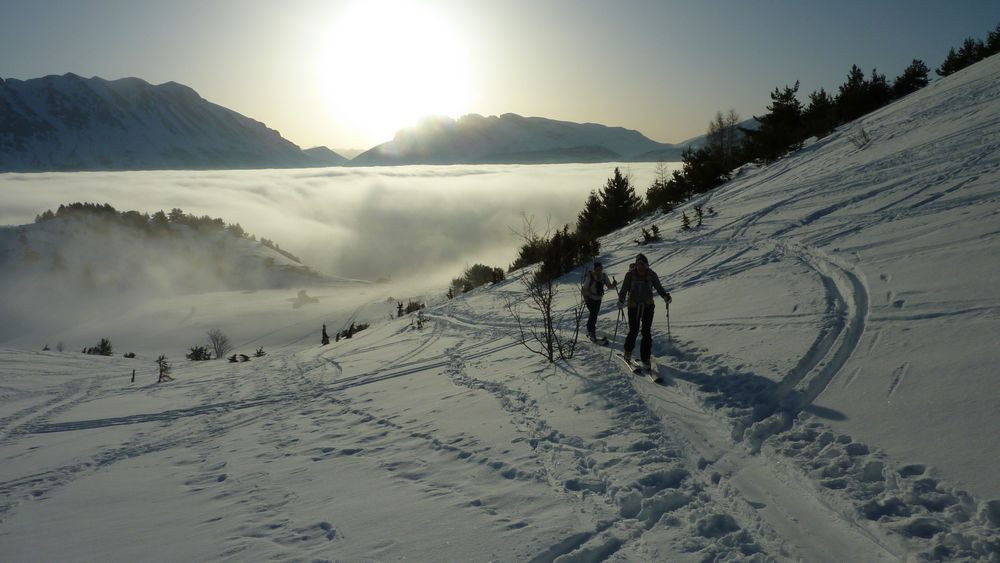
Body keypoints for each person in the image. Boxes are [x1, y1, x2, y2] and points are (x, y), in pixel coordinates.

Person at [618, 253, 671, 370]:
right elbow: (624, 289)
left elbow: (659, 287)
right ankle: (627, 351)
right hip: (633, 306)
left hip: (648, 306)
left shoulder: (651, 275)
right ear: (636, 265)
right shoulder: (630, 275)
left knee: (646, 332)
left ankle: (645, 357)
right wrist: (621, 300)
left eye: (643, 264)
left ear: (647, 265)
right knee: (634, 330)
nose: (641, 267)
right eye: (639, 264)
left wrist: (665, 296)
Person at [580, 261, 617, 342]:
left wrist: (613, 285)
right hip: (590, 299)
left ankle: (590, 330)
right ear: (594, 269)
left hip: (598, 299)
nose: (599, 271)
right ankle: (592, 333)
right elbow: (584, 289)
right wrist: (586, 298)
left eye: (600, 269)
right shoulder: (590, 277)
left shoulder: (604, 276)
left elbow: (609, 286)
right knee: (593, 314)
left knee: (594, 315)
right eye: (597, 269)